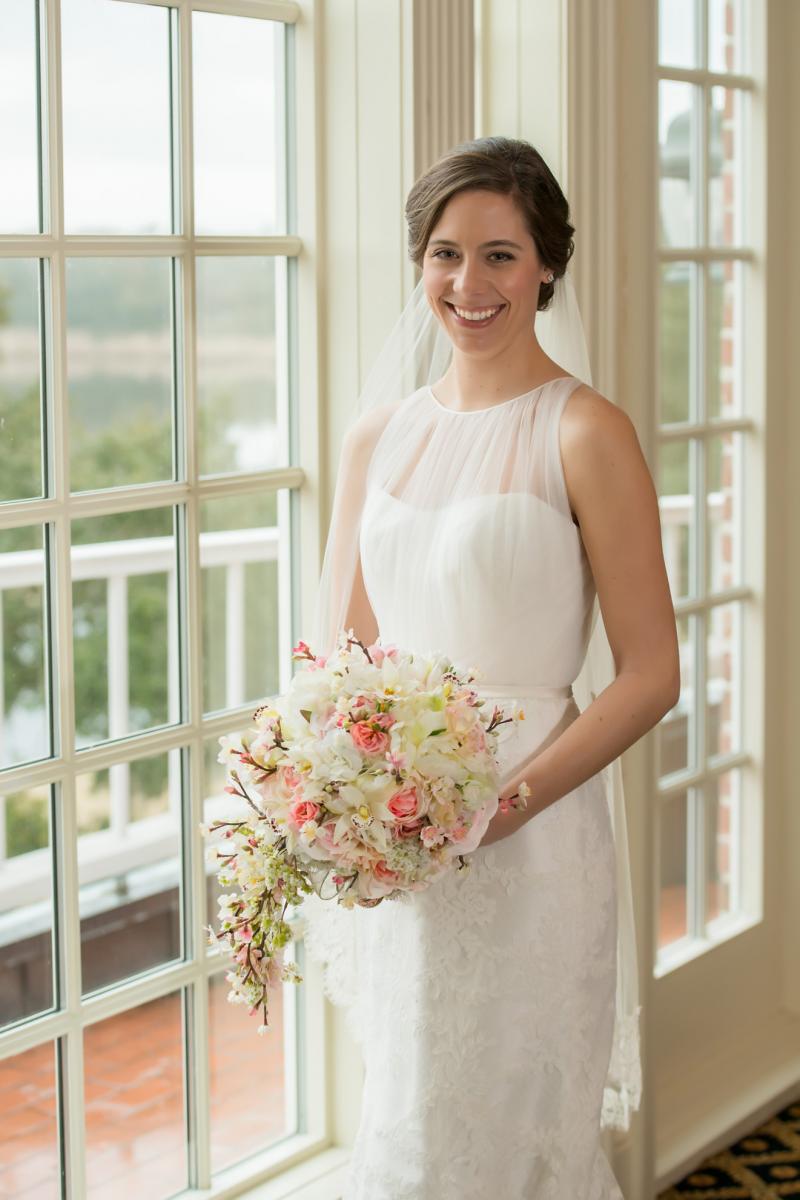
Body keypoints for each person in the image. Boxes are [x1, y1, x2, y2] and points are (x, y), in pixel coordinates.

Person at [301, 136, 680, 1199]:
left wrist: (507, 803)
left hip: (534, 835)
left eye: (500, 256)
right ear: (418, 266)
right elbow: (342, 656)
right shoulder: (375, 437)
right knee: (414, 1120)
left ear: (546, 266)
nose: (468, 285)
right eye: (445, 254)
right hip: (407, 832)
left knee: (516, 1137)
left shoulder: (586, 433)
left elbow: (651, 673)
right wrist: (340, 794)